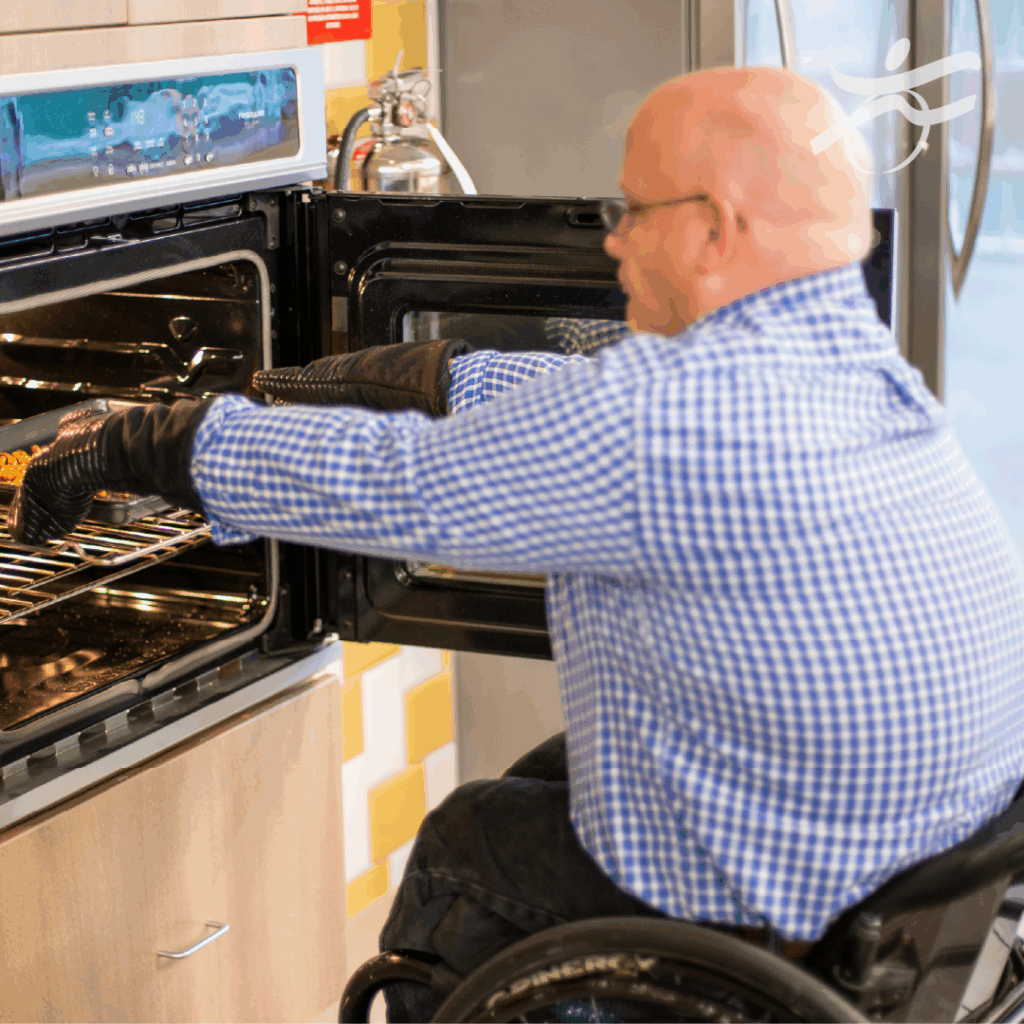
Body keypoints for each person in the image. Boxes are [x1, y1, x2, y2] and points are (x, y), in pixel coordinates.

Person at [9, 66, 1024, 1022]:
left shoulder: (663, 423)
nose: (614, 243)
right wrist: (370, 381)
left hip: (782, 919)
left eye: (632, 211)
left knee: (466, 846)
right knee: (548, 779)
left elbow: (390, 484)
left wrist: (139, 443)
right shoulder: (852, 375)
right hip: (913, 893)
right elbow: (570, 410)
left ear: (714, 229)